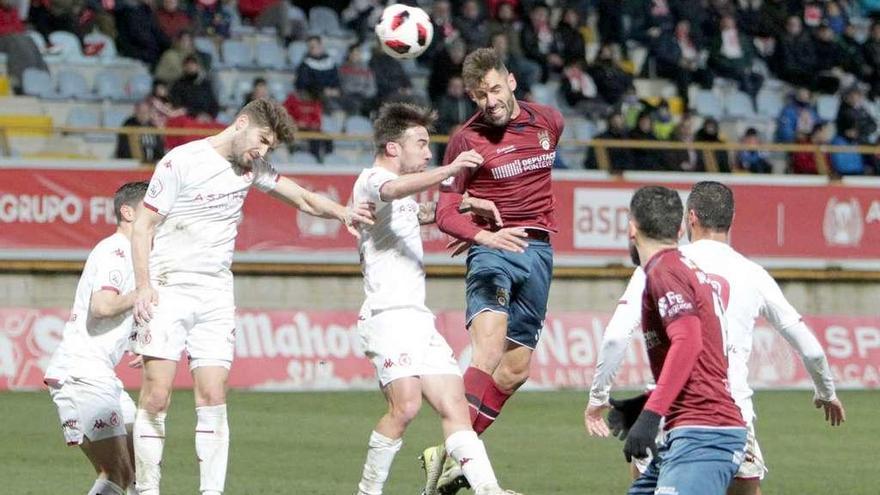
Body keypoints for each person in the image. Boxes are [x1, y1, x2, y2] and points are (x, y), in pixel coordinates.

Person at [129, 98, 374, 495]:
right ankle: (147, 490)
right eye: (262, 140)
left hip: (215, 293)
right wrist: (143, 285)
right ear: (241, 123)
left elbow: (303, 198)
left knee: (213, 394)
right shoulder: (181, 161)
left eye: (271, 148)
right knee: (157, 395)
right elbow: (144, 225)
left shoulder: (252, 168)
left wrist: (343, 212)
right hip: (169, 286)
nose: (263, 152)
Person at [584, 182, 846, 495]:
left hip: (683, 415)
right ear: (731, 220)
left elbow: (620, 337)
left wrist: (604, 397)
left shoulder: (663, 265)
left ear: (689, 219)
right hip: (731, 410)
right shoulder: (752, 273)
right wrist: (826, 390)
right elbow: (811, 349)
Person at [352, 102, 520, 495]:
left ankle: (489, 489)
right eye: (421, 143)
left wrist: (465, 205)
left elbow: (417, 211)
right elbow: (393, 190)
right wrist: (449, 171)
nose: (428, 152)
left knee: (455, 406)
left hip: (417, 319)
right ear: (394, 147)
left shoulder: (399, 197)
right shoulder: (371, 180)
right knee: (405, 407)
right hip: (387, 315)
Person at [422, 47, 563, 494]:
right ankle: (468, 464)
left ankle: (448, 457)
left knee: (516, 369)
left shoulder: (549, 122)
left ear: (512, 82)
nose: (490, 102)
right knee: (485, 352)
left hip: (538, 252)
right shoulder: (466, 140)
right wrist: (482, 234)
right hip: (492, 254)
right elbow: (444, 212)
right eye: (480, 95)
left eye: (496, 90)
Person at [603, 185, 748, 495]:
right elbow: (704, 356)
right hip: (693, 431)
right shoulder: (680, 269)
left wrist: (652, 414)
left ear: (632, 229)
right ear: (680, 229)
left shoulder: (664, 273)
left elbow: (689, 343)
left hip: (705, 434)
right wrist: (645, 405)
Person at [44, 181, 150, 495]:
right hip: (82, 374)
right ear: (128, 212)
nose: (159, 216)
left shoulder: (134, 255)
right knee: (116, 471)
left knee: (139, 470)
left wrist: (140, 339)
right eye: (152, 209)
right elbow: (102, 306)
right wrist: (142, 293)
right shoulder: (115, 250)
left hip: (102, 375)